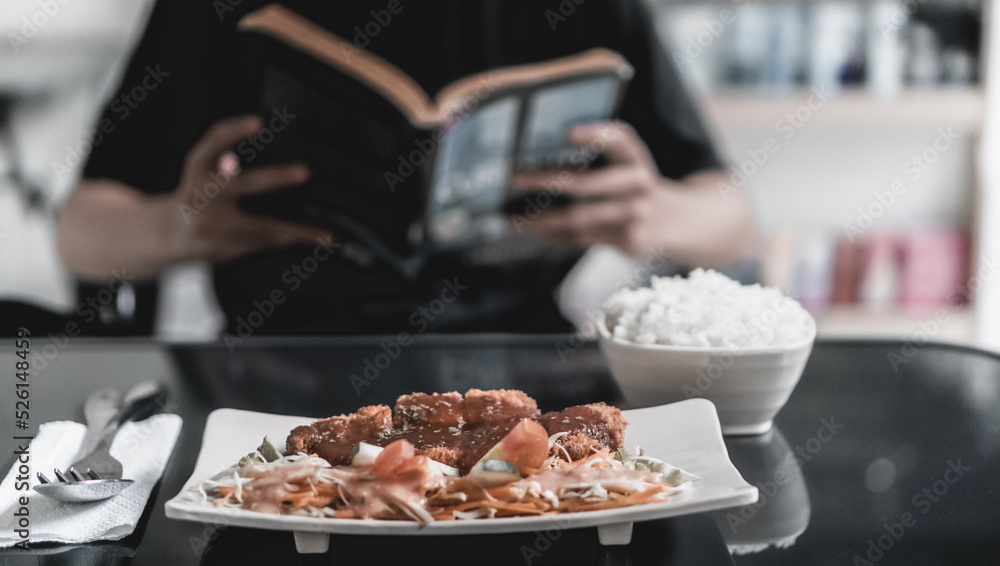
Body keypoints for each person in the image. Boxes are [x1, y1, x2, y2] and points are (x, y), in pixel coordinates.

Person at [56, 0, 756, 335]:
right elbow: (81, 232)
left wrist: (653, 213)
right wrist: (179, 229)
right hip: (274, 370)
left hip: (527, 369)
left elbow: (732, 215)